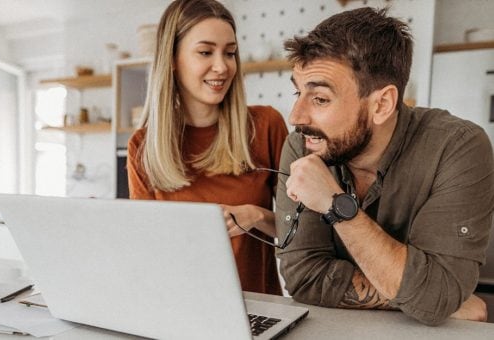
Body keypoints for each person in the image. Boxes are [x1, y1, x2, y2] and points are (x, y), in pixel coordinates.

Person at [275, 7, 494, 325]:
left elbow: (439, 292)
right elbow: (304, 278)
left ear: (381, 104)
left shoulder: (458, 147)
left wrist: (336, 205)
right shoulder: (304, 144)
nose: (296, 117)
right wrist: (424, 298)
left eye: (320, 99)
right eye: (298, 92)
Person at [127, 0, 288, 295]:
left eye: (230, 53)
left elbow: (307, 231)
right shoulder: (142, 146)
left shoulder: (266, 126)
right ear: (173, 59)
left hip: (257, 313)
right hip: (178, 308)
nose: (222, 66)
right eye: (205, 52)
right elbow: (147, 251)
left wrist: (257, 216)